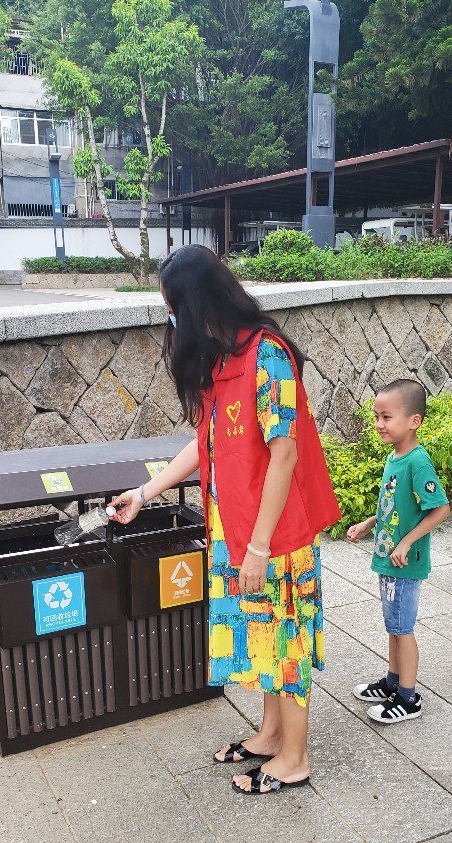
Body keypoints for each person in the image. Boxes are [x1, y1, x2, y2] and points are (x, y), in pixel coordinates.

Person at [111, 245, 340, 795]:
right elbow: (206, 443)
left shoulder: (268, 356)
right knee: (261, 637)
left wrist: (258, 548)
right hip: (233, 530)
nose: (171, 321)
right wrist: (145, 492)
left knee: (285, 643)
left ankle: (295, 758)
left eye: (173, 309)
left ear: (197, 305)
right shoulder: (220, 360)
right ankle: (271, 734)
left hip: (272, 538)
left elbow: (284, 455)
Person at [346, 379, 450, 723]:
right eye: (377, 416)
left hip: (405, 563)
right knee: (394, 625)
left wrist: (406, 542)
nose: (379, 424)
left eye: (387, 417)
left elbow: (440, 509)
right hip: (389, 561)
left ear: (414, 421)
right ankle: (393, 682)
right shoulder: (395, 458)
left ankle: (408, 697)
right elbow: (395, 507)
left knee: (403, 629)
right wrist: (368, 523)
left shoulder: (418, 462)